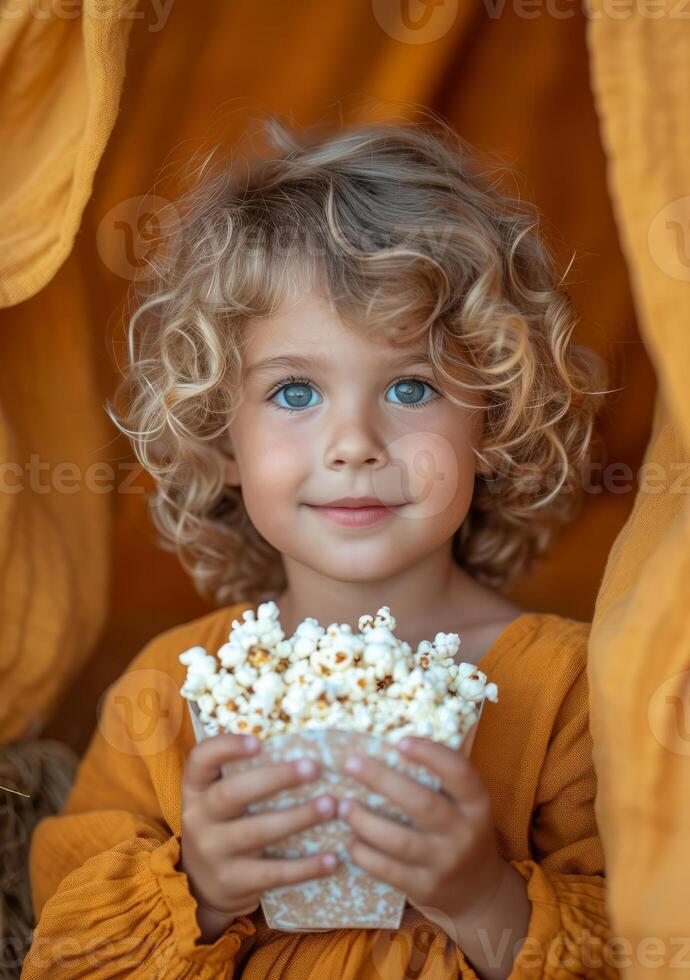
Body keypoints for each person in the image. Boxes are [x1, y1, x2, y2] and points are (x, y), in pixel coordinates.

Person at [21, 116, 620, 979]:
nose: (353, 442)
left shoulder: (572, 697)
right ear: (220, 435)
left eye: (412, 385)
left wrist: (483, 899)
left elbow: (644, 946)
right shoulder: (166, 697)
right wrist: (199, 886)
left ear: (495, 417)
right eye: (294, 390)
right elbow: (65, 955)